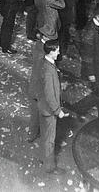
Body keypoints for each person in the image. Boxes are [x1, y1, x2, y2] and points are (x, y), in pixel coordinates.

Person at [28, 39, 69, 174]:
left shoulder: (45, 63)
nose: (58, 53)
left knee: (45, 136)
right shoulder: (48, 70)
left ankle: (43, 158)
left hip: (42, 106)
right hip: (49, 110)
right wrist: (58, 111)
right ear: (51, 52)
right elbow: (50, 95)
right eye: (57, 50)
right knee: (49, 140)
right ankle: (49, 167)